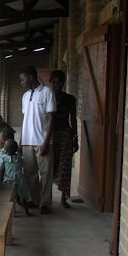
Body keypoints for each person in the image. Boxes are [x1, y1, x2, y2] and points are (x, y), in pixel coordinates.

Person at [19, 65, 56, 214]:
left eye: (23, 79)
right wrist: (21, 140)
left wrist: (46, 142)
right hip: (28, 140)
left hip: (42, 141)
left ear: (31, 78)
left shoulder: (47, 92)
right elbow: (25, 119)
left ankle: (45, 202)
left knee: (46, 173)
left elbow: (51, 118)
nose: (21, 82)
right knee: (29, 173)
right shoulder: (25, 96)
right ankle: (34, 200)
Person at [50, 70, 78, 209]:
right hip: (50, 134)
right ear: (51, 83)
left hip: (65, 133)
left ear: (63, 83)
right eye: (54, 82)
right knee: (49, 165)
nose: (57, 84)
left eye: (59, 82)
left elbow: (73, 118)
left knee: (65, 165)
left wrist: (75, 138)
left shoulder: (69, 99)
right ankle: (45, 198)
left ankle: (63, 197)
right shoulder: (47, 97)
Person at [0, 139, 33, 217]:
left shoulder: (3, 158)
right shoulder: (19, 157)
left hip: (8, 179)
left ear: (5, 149)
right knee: (23, 195)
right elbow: (22, 165)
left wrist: (1, 180)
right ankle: (27, 211)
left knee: (8, 196)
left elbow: (1, 169)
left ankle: (9, 211)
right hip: (19, 178)